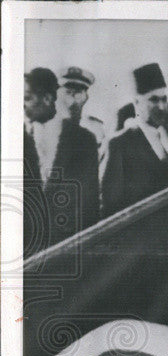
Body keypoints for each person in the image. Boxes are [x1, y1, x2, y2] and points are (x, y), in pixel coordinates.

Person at [100, 63, 168, 217]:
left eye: (164, 99)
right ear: (136, 103)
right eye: (154, 100)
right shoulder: (119, 145)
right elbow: (108, 208)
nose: (162, 107)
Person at [23, 66, 100, 248]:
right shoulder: (21, 138)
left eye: (27, 98)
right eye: (69, 92)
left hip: (67, 250)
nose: (74, 100)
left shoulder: (84, 141)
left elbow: (90, 207)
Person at [57, 66, 105, 145]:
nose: (72, 101)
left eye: (78, 93)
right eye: (68, 92)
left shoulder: (95, 130)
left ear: (86, 98)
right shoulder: (43, 127)